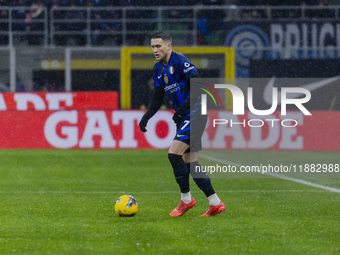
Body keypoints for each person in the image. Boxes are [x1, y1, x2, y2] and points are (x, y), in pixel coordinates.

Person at [139, 31, 225, 217]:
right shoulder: (157, 69)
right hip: (185, 116)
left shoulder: (180, 62)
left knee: (173, 154)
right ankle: (215, 202)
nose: (155, 50)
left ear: (168, 46)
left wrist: (180, 111)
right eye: (153, 46)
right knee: (190, 162)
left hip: (195, 113)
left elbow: (199, 88)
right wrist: (147, 116)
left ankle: (186, 200)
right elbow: (158, 97)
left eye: (158, 46)